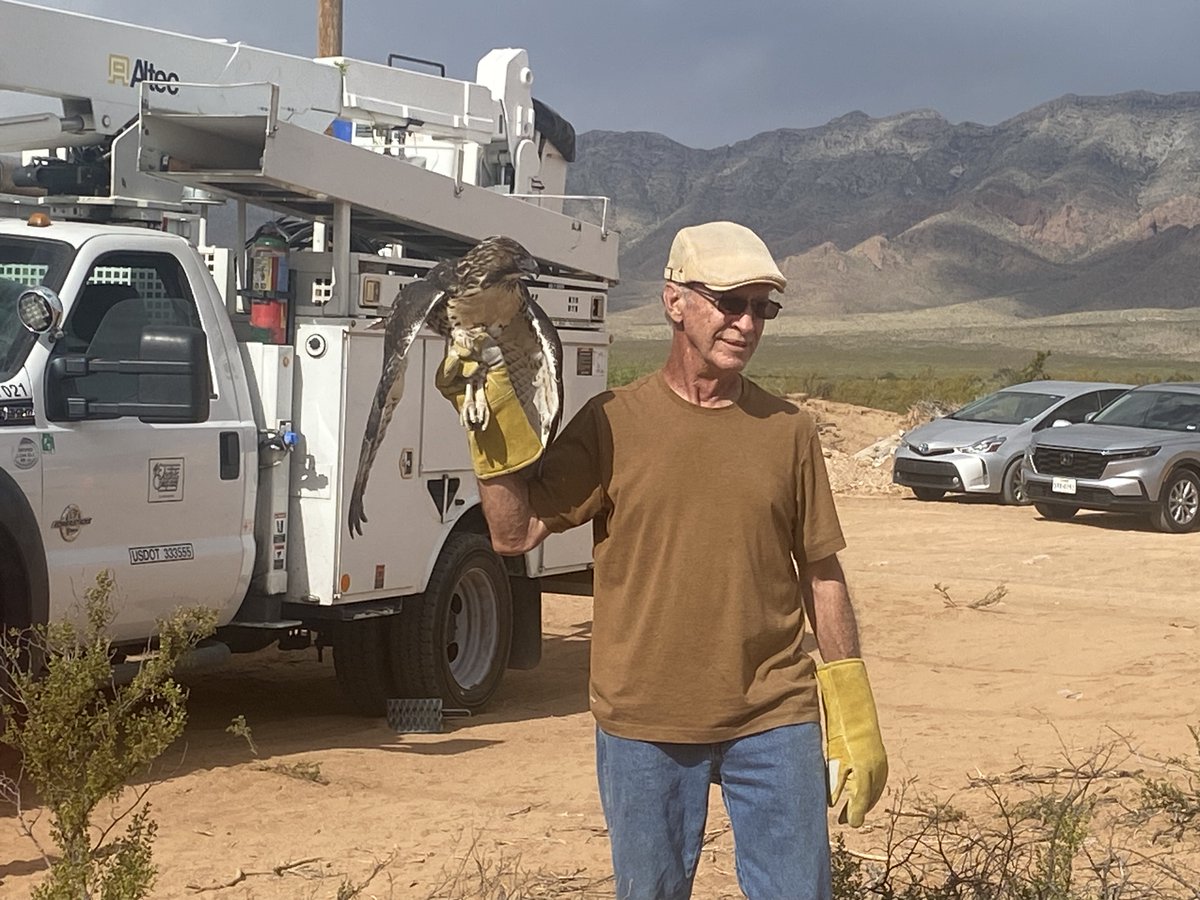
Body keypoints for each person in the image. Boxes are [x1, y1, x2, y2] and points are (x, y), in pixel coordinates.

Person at [437, 221, 887, 900]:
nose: (746, 323)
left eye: (762, 308)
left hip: (774, 713)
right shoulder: (613, 421)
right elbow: (514, 531)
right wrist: (487, 432)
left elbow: (820, 571)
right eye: (730, 302)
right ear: (674, 299)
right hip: (644, 717)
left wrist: (850, 698)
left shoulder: (789, 430)